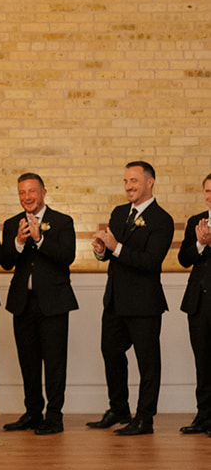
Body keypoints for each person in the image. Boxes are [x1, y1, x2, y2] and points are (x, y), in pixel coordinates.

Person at [88, 160, 174, 437]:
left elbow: (150, 262)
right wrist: (101, 250)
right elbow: (111, 255)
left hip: (144, 303)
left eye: (134, 181)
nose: (128, 186)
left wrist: (116, 247)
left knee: (148, 363)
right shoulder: (118, 213)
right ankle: (119, 409)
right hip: (115, 300)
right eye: (125, 181)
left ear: (150, 182)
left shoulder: (162, 220)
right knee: (110, 353)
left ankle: (145, 418)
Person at [0, 173, 78, 436]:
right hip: (23, 304)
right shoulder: (11, 224)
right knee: (28, 363)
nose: (27, 197)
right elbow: (6, 262)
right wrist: (19, 242)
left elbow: (67, 256)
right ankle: (32, 413)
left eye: (32, 191)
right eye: (22, 192)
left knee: (55, 363)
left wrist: (40, 239)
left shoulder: (62, 221)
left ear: (43, 193)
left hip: (54, 304)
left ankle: (54, 416)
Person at [177, 172, 211, 437]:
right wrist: (200, 243)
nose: (210, 195)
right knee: (202, 363)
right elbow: (184, 259)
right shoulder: (195, 222)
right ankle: (204, 416)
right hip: (198, 302)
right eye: (207, 190)